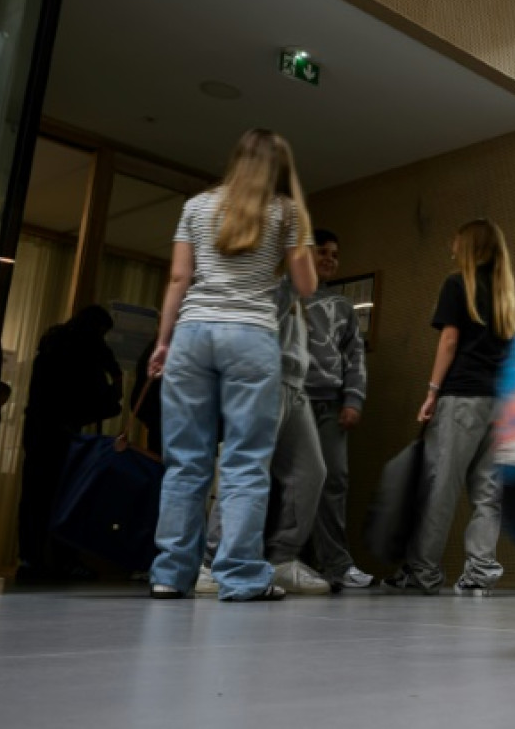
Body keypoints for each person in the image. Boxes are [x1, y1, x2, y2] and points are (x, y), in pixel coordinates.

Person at [147, 129, 317, 601]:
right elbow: (306, 286)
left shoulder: (196, 207)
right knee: (245, 461)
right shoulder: (286, 212)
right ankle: (240, 576)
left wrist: (163, 342)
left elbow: (179, 278)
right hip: (251, 337)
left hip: (193, 334)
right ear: (281, 168)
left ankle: (170, 574)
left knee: (185, 463)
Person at [384, 219, 515, 596]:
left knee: (440, 487)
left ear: (469, 244)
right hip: (500, 402)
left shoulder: (457, 283)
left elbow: (449, 341)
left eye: (455, 239)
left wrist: (432, 392)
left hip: (462, 398)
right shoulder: (505, 294)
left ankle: (423, 572)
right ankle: (480, 572)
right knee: (488, 493)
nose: (450, 245)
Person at [197, 280, 332, 596]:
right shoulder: (275, 275)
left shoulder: (296, 289)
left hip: (295, 384)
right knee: (246, 470)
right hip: (263, 378)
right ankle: (212, 565)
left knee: (310, 473)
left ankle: (281, 561)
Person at [16, 305, 123, 581]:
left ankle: (30, 558)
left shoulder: (51, 347)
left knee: (35, 499)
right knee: (67, 499)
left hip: (38, 432)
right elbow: (103, 402)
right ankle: (64, 560)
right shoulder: (87, 354)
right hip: (66, 437)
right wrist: (115, 382)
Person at [303, 229, 373, 589]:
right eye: (322, 252)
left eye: (335, 254)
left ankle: (335, 564)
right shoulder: (285, 297)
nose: (330, 258)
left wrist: (353, 399)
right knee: (281, 482)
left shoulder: (343, 307)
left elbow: (355, 357)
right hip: (291, 401)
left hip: (330, 405)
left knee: (334, 480)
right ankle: (271, 559)